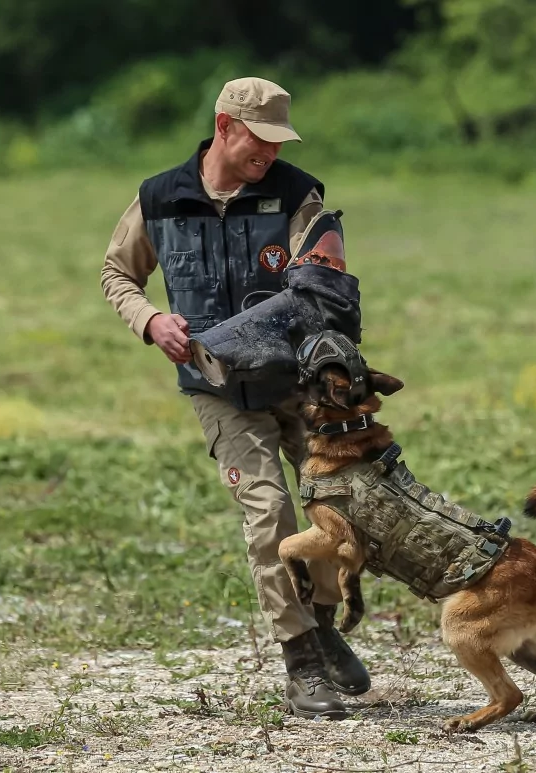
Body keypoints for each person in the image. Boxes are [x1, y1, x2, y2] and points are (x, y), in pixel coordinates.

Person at [100, 77, 369, 719]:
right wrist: (149, 320)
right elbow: (117, 271)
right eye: (260, 140)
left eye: (279, 142)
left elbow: (326, 283)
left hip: (298, 382)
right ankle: (302, 659)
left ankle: (325, 624)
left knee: (333, 509)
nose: (269, 154)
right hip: (218, 387)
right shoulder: (159, 198)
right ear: (224, 126)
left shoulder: (298, 194)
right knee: (269, 509)